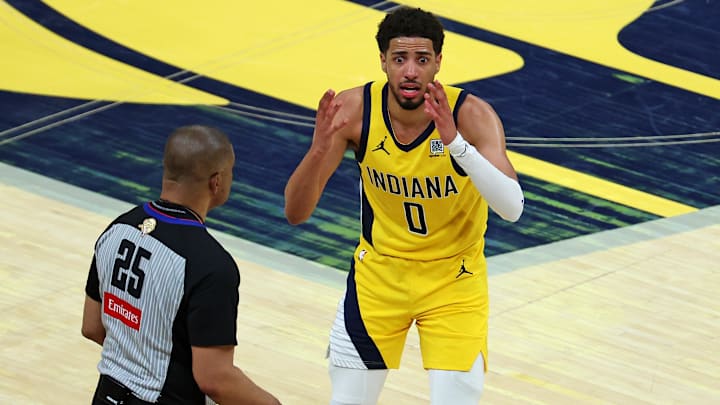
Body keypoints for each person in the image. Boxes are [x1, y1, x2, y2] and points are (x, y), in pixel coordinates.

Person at [284, 6, 524, 405]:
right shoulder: (354, 110)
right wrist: (318, 150)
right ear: (383, 62)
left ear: (438, 64)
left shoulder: (471, 116)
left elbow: (513, 208)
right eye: (400, 59)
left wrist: (455, 145)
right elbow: (295, 213)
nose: (410, 71)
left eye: (422, 60)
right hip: (378, 277)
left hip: (454, 281)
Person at [82, 125, 281, 405]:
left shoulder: (118, 228)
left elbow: (92, 326)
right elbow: (215, 379)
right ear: (217, 181)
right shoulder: (211, 266)